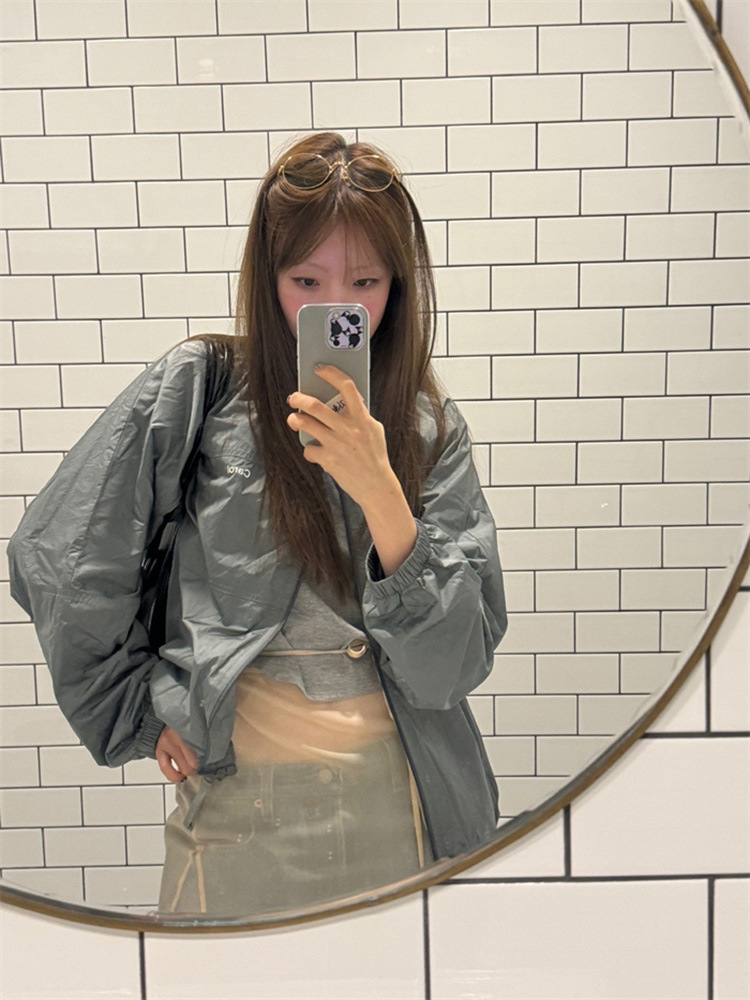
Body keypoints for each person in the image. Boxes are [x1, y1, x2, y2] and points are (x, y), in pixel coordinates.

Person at [8, 132, 507, 918]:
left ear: (399, 286)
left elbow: (452, 668)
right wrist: (135, 712)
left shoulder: (428, 427)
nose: (335, 306)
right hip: (237, 812)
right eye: (305, 279)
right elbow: (63, 555)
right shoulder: (203, 388)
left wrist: (381, 491)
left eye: (365, 282)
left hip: (409, 804)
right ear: (267, 275)